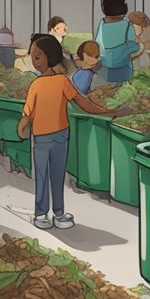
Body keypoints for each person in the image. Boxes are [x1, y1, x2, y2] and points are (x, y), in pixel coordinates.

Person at [18, 34, 111, 230]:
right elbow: (28, 112)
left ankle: (55, 213)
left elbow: (82, 102)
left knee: (55, 175)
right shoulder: (44, 83)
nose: (35, 62)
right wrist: (23, 124)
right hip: (49, 137)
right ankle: (44, 213)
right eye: (33, 57)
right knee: (46, 175)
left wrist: (108, 111)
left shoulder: (58, 82)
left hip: (56, 136)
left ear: (50, 56)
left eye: (37, 57)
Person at [95, 0, 140, 84]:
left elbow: (98, 44)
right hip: (123, 68)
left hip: (105, 68)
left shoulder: (102, 22)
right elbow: (133, 45)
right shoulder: (127, 24)